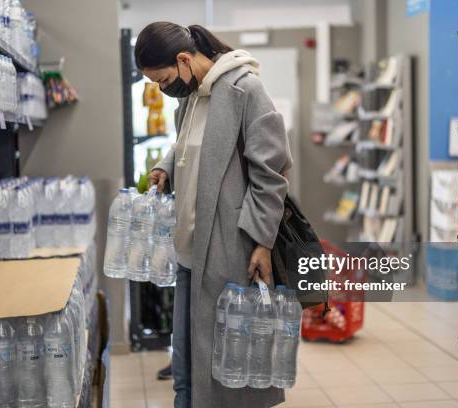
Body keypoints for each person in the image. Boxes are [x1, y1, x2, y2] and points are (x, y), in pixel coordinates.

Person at [135, 22, 292, 408]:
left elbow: (271, 174)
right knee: (187, 368)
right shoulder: (190, 96)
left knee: (225, 373)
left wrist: (263, 243)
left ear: (184, 59)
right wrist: (167, 167)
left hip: (228, 248)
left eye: (164, 79)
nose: (163, 88)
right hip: (190, 252)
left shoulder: (245, 91)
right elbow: (188, 145)